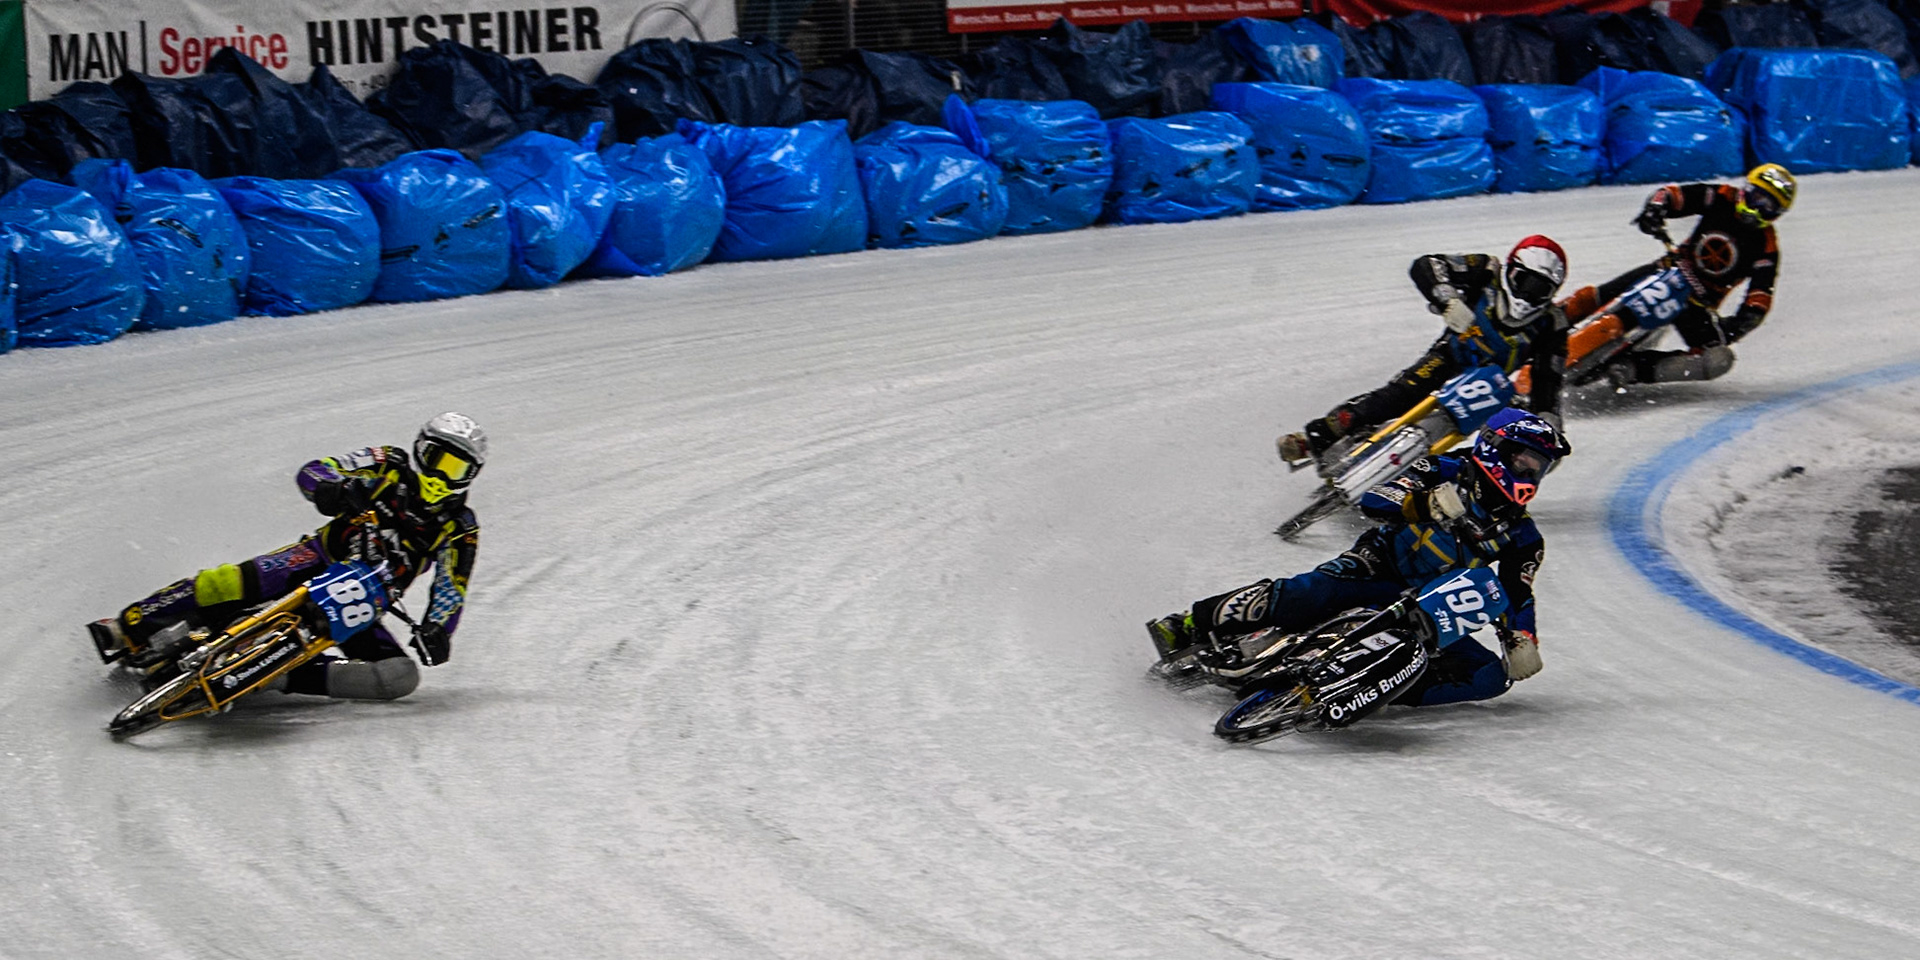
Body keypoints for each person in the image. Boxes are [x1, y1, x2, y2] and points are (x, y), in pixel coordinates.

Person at [1155, 409, 1570, 707]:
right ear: (1496, 447)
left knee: (1489, 678)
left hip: (1428, 609)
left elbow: (1518, 592)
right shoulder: (1442, 469)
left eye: (1538, 467)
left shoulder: (1524, 537)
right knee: (1311, 592)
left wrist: (1522, 639)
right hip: (1379, 566)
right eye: (1524, 460)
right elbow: (1374, 499)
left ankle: (1381, 690)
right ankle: (1192, 622)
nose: (1529, 474)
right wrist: (1423, 505)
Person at [87, 412, 486, 701]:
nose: (444, 476)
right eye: (440, 460)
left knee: (399, 677)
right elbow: (316, 470)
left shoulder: (460, 527)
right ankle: (128, 625)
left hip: (362, 604)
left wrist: (438, 630)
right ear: (420, 451)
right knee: (227, 582)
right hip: (313, 559)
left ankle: (278, 675)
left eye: (459, 469)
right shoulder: (387, 462)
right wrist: (334, 490)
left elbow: (452, 586)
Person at [1278, 236, 1573, 469]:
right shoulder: (1485, 270)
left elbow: (1549, 377)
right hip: (1449, 357)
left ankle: (1473, 495)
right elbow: (1427, 265)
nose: (1528, 295)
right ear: (1512, 269)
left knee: (1511, 445)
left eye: (1540, 290)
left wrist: (1547, 422)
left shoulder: (1552, 324)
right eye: (1526, 283)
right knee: (1396, 397)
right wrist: (1447, 300)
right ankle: (1315, 438)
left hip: (1494, 388)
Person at [1568, 163, 1794, 386]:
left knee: (1718, 359)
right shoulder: (1721, 196)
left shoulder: (1767, 246)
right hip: (1668, 269)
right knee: (1594, 297)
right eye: (1756, 198)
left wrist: (1739, 325)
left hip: (1697, 304)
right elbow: (1672, 195)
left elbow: (1761, 296)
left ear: (1777, 215)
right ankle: (1550, 320)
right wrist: (1655, 210)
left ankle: (1633, 369)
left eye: (1767, 207)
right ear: (1746, 190)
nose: (1756, 210)